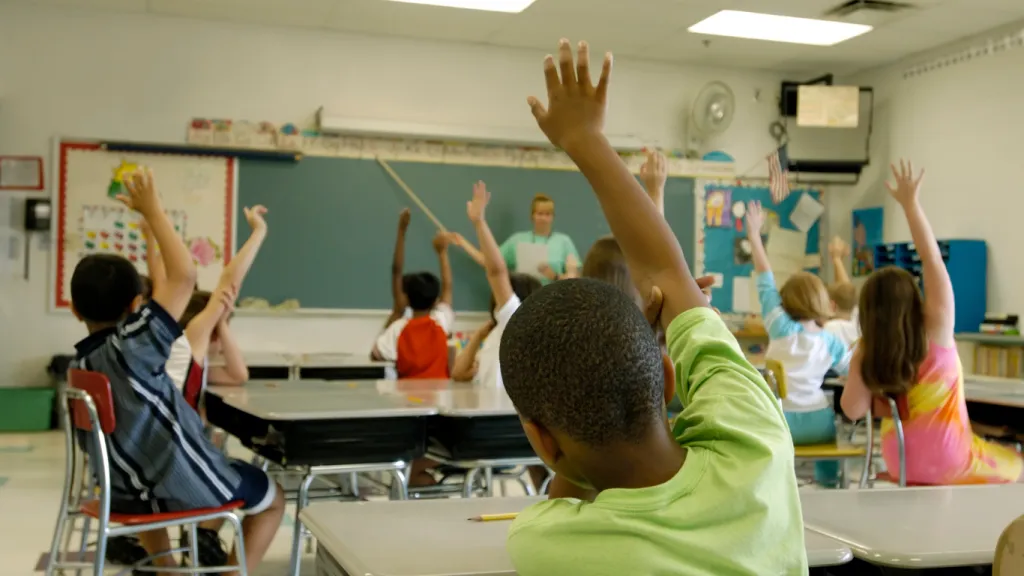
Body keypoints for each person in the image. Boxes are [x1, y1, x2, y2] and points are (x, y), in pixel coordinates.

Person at [500, 38, 806, 575]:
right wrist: (587, 141)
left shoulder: (547, 544)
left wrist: (561, 459)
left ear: (542, 439)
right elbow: (666, 273)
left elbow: (561, 494)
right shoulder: (758, 441)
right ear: (667, 378)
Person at [68, 168, 284, 576]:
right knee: (273, 498)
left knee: (154, 459)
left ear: (74, 309)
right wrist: (155, 212)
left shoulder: (80, 366)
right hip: (175, 486)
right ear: (137, 305)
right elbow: (193, 277)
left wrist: (149, 227)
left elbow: (171, 277)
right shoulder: (148, 345)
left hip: (121, 492)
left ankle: (165, 569)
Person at [841, 160, 1024, 485]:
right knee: (1017, 463)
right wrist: (911, 205)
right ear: (913, 297)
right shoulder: (937, 326)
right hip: (952, 459)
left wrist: (860, 359)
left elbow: (853, 411)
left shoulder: (869, 350)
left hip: (901, 464)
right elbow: (931, 258)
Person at [746, 200, 849, 486]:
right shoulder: (831, 341)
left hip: (781, 421)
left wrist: (754, 235)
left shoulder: (780, 327)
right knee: (830, 443)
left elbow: (765, 282)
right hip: (818, 422)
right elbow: (852, 371)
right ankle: (828, 488)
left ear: (786, 302)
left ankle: (776, 489)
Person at [450, 181, 542, 388]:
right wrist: (478, 337)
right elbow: (458, 373)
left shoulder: (517, 322)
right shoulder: (497, 333)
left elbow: (497, 271)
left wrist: (479, 223)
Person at [371, 209, 455, 379]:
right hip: (440, 398)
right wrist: (442, 253)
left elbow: (376, 355)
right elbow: (448, 287)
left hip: (407, 400)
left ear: (407, 298)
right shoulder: (441, 321)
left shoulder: (398, 328)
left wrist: (401, 232)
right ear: (434, 302)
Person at [456, 193, 580, 284]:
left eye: (547, 214)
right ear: (532, 216)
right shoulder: (517, 240)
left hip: (554, 300)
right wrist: (462, 242)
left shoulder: (564, 242)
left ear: (553, 217)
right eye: (539, 214)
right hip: (523, 301)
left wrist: (555, 276)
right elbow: (489, 261)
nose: (543, 218)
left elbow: (574, 279)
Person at [825, 236, 860, 349]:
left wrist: (836, 258)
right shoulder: (858, 320)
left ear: (832, 306)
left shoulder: (830, 328)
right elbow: (845, 289)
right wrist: (837, 259)